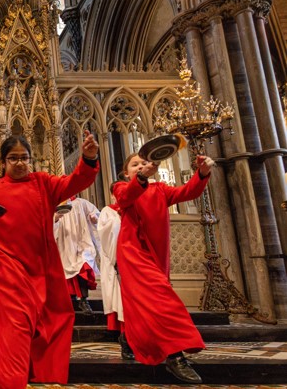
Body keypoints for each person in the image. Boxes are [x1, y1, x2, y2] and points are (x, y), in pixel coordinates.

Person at [0, 131, 100, 389]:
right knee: (12, 331)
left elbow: (74, 182)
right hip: (10, 269)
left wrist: (88, 159)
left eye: (25, 158)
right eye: (13, 158)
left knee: (46, 327)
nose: (20, 163)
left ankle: (31, 374)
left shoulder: (43, 182)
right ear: (2, 163)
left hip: (42, 268)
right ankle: (12, 383)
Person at [114, 153, 214, 383]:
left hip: (156, 255)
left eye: (143, 163)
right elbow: (127, 196)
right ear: (126, 173)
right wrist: (140, 178)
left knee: (149, 304)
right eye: (134, 165)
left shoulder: (160, 189)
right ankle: (175, 355)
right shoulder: (121, 187)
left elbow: (187, 192)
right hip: (133, 254)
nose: (140, 167)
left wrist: (203, 173)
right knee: (164, 302)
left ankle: (129, 338)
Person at [97, 180, 134, 360]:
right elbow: (105, 235)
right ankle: (126, 340)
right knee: (124, 304)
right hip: (117, 261)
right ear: (113, 194)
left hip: (137, 262)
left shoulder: (136, 207)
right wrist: (119, 218)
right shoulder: (108, 211)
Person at [54, 196, 101, 313]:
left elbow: (96, 214)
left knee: (84, 267)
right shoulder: (55, 204)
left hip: (82, 242)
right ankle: (70, 300)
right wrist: (54, 218)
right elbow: (46, 222)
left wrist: (95, 218)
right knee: (65, 271)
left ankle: (84, 300)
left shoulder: (82, 203)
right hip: (64, 243)